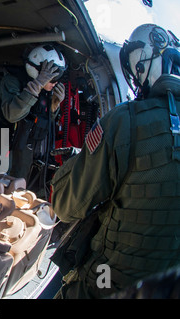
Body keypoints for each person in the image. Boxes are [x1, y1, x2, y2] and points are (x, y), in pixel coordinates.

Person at [50, 24, 180, 299]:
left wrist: (77, 164)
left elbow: (64, 205)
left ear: (142, 66)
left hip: (109, 284)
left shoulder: (126, 120)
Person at [0, 45, 66, 194]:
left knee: (19, 182)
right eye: (52, 77)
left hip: (26, 143)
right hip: (4, 140)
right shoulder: (12, 81)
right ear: (36, 71)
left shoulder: (46, 89)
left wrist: (54, 106)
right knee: (0, 183)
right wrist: (36, 85)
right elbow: (12, 114)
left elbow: (42, 118)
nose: (55, 82)